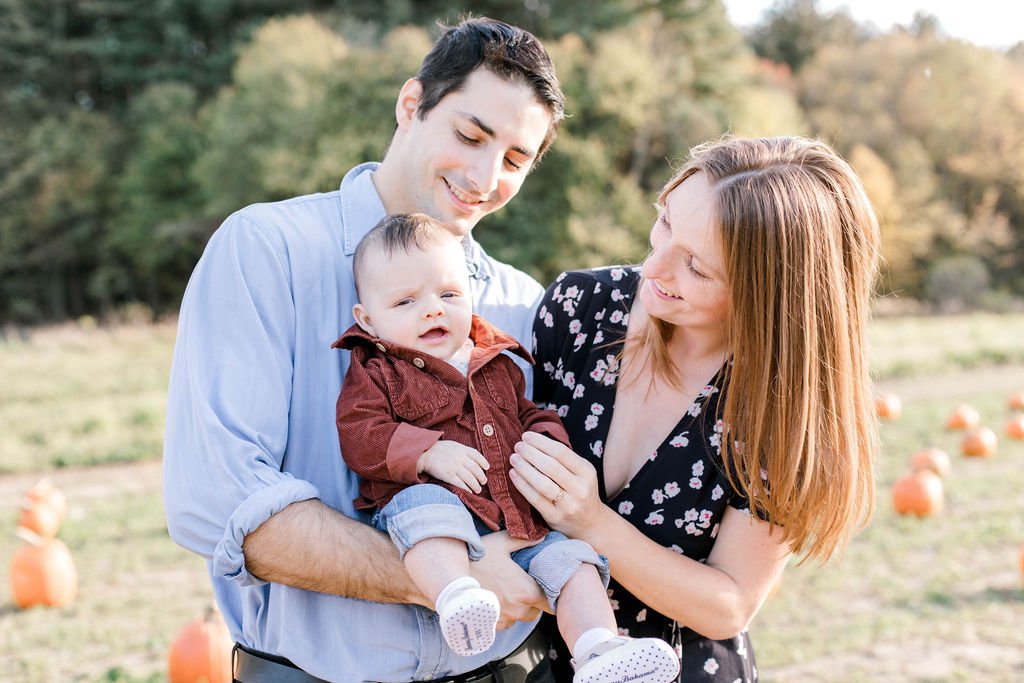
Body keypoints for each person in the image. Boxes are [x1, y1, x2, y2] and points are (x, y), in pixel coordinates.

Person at [163, 17, 568, 683]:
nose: (484, 174)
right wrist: (449, 580)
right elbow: (219, 499)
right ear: (411, 104)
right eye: (470, 135)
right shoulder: (266, 250)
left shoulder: (520, 302)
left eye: (516, 160)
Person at [509, 136, 881, 681]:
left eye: (697, 268)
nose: (652, 267)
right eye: (664, 223)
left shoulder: (778, 412)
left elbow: (728, 604)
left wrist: (590, 522)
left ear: (767, 295)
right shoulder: (579, 309)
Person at [333, 213, 680, 683]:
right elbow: (360, 431)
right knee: (426, 514)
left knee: (574, 562)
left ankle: (600, 649)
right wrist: (427, 453)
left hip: (516, 521)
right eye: (406, 301)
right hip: (435, 506)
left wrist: (547, 439)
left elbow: (528, 412)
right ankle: (456, 595)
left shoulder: (497, 362)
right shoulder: (377, 369)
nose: (433, 309)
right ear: (367, 319)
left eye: (448, 294)